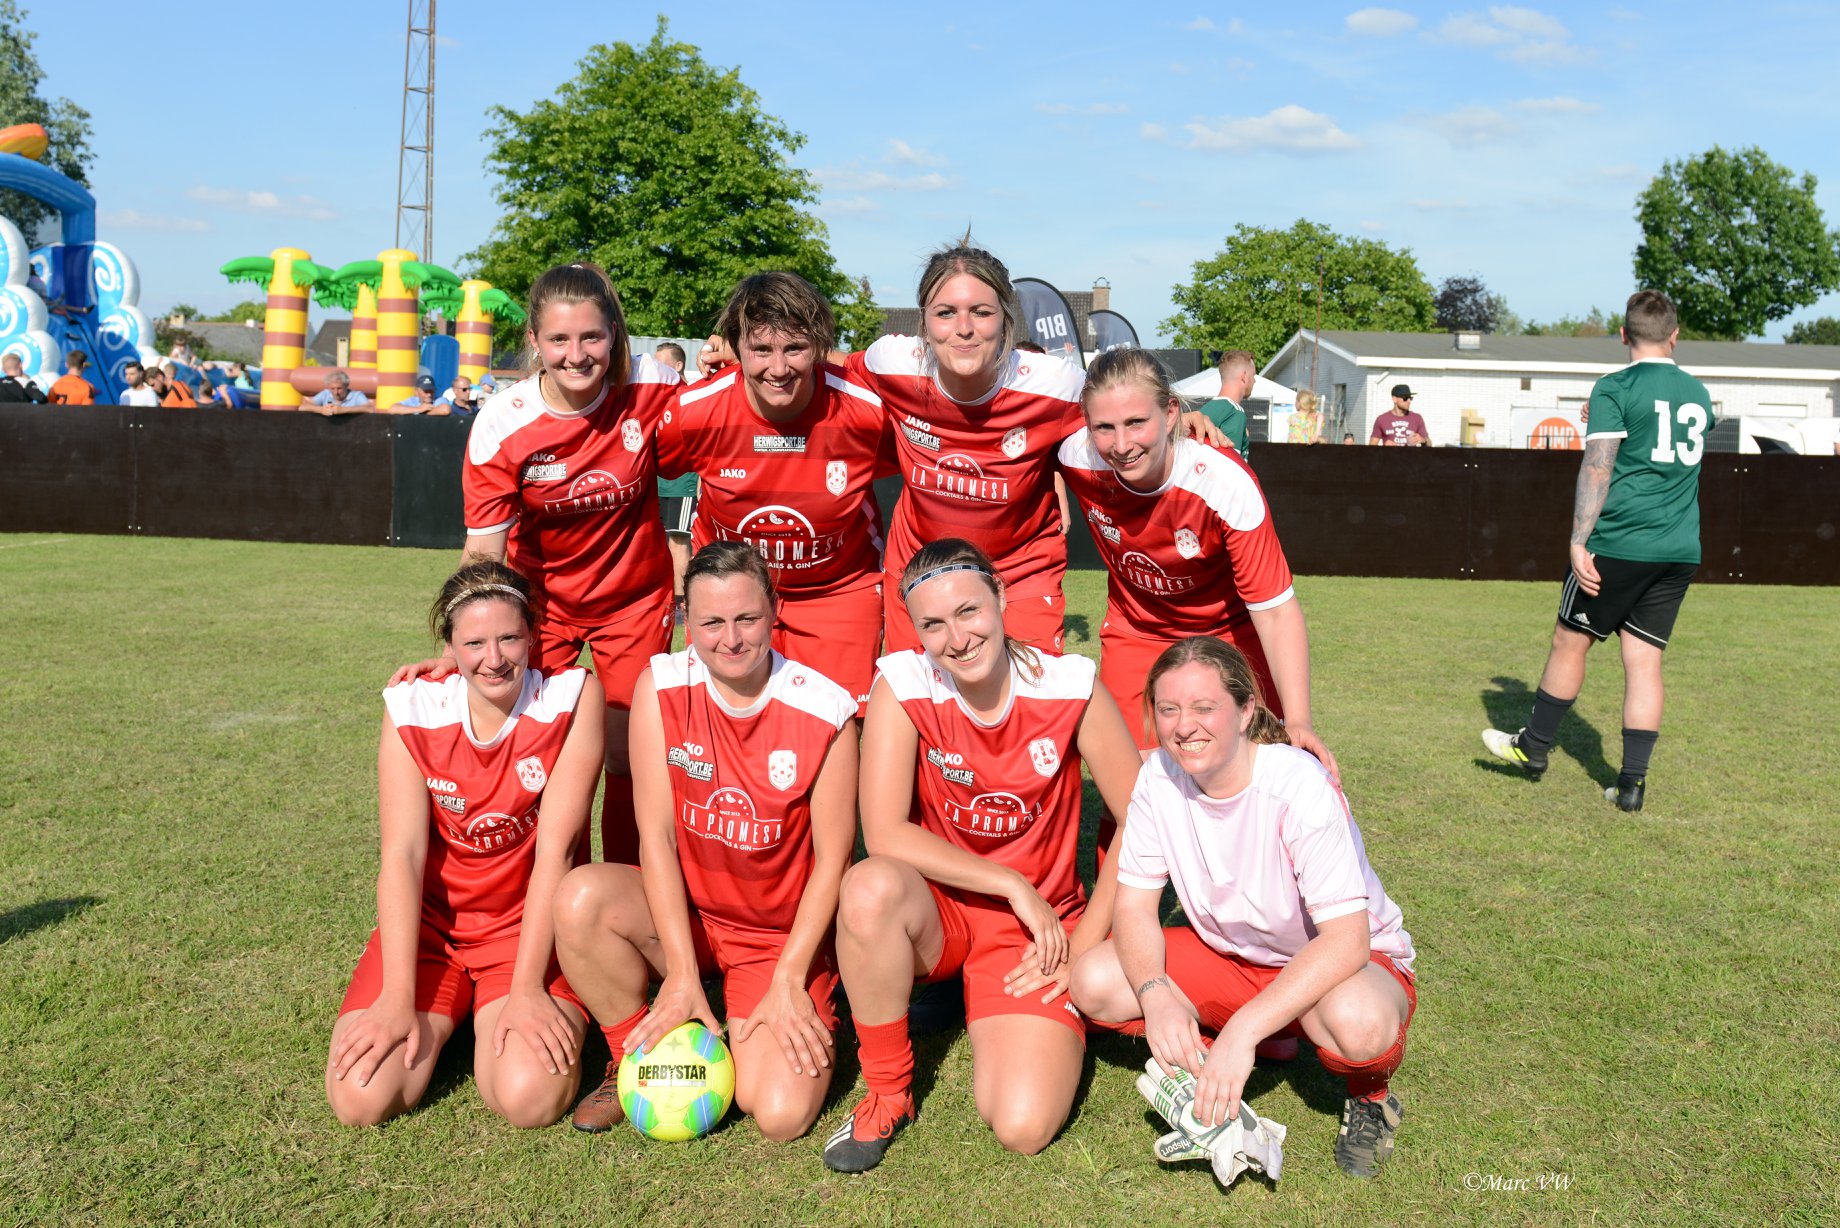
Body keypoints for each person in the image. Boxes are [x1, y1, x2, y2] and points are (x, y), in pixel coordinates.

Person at [822, 539, 1142, 1172]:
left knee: (1022, 1125)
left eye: (969, 611)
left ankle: (984, 999)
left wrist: (1082, 947)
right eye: (934, 624)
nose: (958, 638)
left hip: (1034, 931)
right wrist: (1009, 883)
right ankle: (887, 1090)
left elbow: (1142, 822)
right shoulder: (903, 683)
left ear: (1000, 597)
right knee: (868, 887)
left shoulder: (1070, 685)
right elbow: (883, 833)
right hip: (940, 914)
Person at [1069, 637, 1417, 1180]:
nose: (1184, 726)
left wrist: (1242, 1031)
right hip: (1232, 958)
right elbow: (1134, 908)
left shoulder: (1298, 785)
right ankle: (1228, 1052)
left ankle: (1371, 1098)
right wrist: (1155, 995)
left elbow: (1347, 942)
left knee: (1361, 1022)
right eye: (1168, 709)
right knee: (1094, 979)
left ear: (1246, 710)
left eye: (1204, 707)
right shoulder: (1157, 780)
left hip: (1338, 966)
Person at [554, 542, 859, 1139]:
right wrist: (682, 971)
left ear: (775, 610)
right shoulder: (660, 686)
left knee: (779, 1113)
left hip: (775, 939)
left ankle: (797, 1002)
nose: (731, 639)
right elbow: (657, 838)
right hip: (690, 921)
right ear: (684, 620)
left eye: (747, 618)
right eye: (712, 622)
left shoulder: (826, 709)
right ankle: (631, 1055)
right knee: (579, 899)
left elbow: (835, 861)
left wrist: (790, 976)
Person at [407, 261, 678, 867]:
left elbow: (726, 410)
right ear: (534, 340)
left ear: (614, 333)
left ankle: (625, 894)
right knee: (545, 756)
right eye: (558, 339)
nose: (576, 355)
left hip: (634, 603)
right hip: (539, 610)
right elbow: (484, 552)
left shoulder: (652, 383)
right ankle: (553, 893)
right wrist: (457, 647)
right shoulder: (502, 423)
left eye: (591, 337)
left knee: (626, 757)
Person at [326, 562, 603, 1128]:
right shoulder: (413, 706)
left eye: (509, 638)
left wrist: (527, 989)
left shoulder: (573, 697)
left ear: (533, 634)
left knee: (529, 1099)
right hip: (433, 934)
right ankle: (447, 1010)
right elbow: (402, 856)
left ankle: (492, 1011)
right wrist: (397, 997)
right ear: (448, 646)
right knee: (360, 1099)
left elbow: (557, 853)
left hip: (523, 934)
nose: (494, 658)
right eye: (474, 643)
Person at [1056, 347, 1337, 782]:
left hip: (1229, 633)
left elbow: (1276, 611)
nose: (1122, 445)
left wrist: (1299, 720)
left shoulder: (1224, 481)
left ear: (1170, 412)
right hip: (1137, 631)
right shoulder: (1076, 455)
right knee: (1134, 785)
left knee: (1246, 779)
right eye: (1104, 427)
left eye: (1137, 422)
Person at [1483, 291, 1712, 812]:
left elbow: (1599, 466)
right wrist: (1604, 412)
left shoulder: (1616, 386)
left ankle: (1533, 748)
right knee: (1644, 661)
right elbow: (1659, 433)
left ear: (1624, 334)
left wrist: (1577, 541)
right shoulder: (1698, 393)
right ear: (1675, 336)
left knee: (1570, 641)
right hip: (1680, 547)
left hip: (1621, 542)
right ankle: (1631, 787)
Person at [658, 273, 893, 712]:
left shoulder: (866, 411)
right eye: (761, 350)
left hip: (836, 593)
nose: (779, 369)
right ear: (736, 347)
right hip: (729, 592)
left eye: (795, 348)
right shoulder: (694, 412)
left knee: (836, 727)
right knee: (724, 725)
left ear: (818, 347)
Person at [653, 342, 697, 617]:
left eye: (662, 362)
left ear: (678, 365)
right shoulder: (653, 396)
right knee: (657, 540)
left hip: (681, 484)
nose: (655, 367)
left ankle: (681, 602)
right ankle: (663, 595)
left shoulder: (688, 397)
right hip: (655, 483)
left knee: (678, 540)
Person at [1197, 350, 1253, 453]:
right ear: (1244, 376)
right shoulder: (1234, 412)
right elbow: (1231, 461)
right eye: (1253, 375)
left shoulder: (1204, 410)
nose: (1254, 381)